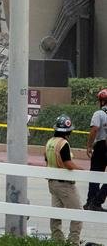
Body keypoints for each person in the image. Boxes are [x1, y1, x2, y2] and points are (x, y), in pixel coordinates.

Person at [46, 114, 83, 244]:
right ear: (69, 131)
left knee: (56, 213)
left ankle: (57, 240)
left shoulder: (50, 142)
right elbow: (67, 163)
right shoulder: (64, 144)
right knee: (78, 213)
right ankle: (73, 241)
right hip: (65, 185)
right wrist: (80, 170)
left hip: (52, 183)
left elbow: (46, 159)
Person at [85, 88, 107, 211]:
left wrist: (89, 145)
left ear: (102, 101)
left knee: (95, 174)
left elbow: (94, 130)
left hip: (100, 146)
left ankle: (92, 201)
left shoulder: (99, 114)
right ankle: (97, 201)